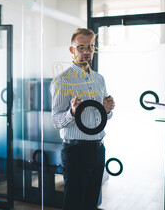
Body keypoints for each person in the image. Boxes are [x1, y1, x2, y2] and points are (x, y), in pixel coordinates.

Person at [50, 28, 115, 210]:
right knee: (74, 203)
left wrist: (107, 110)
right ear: (72, 50)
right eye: (81, 47)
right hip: (75, 151)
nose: (86, 52)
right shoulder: (62, 81)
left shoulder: (99, 79)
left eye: (90, 47)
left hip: (98, 149)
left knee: (91, 202)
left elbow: (103, 116)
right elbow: (55, 120)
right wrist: (72, 112)